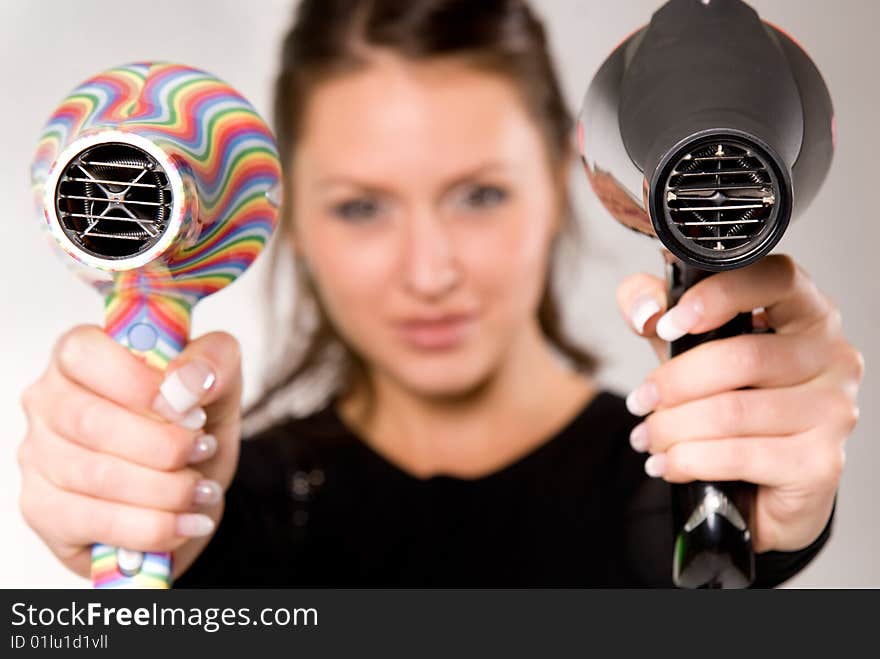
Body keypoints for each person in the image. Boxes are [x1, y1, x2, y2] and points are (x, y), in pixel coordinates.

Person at [17, 0, 863, 587]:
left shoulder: (665, 487)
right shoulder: (219, 510)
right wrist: (146, 574)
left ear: (557, 188)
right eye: (361, 206)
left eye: (479, 195)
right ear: (292, 221)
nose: (429, 273)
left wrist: (761, 512)